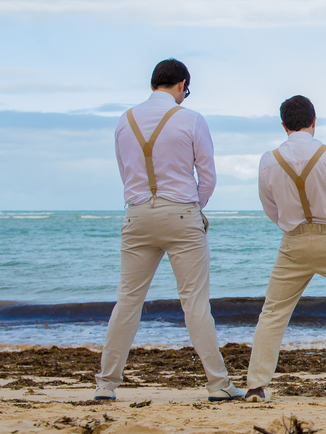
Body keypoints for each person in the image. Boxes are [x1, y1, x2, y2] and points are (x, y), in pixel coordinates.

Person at [95, 59, 242, 402]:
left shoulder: (125, 120)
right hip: (181, 214)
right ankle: (218, 384)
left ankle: (106, 384)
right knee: (195, 303)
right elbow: (208, 177)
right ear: (182, 85)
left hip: (137, 214)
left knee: (127, 302)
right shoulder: (191, 119)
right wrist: (194, 208)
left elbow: (125, 171)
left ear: (153, 84)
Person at [244, 95, 326, 403]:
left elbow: (270, 208)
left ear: (283, 125)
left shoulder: (269, 159)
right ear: (314, 121)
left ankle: (256, 386)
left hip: (293, 241)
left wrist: (293, 226)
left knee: (274, 312)